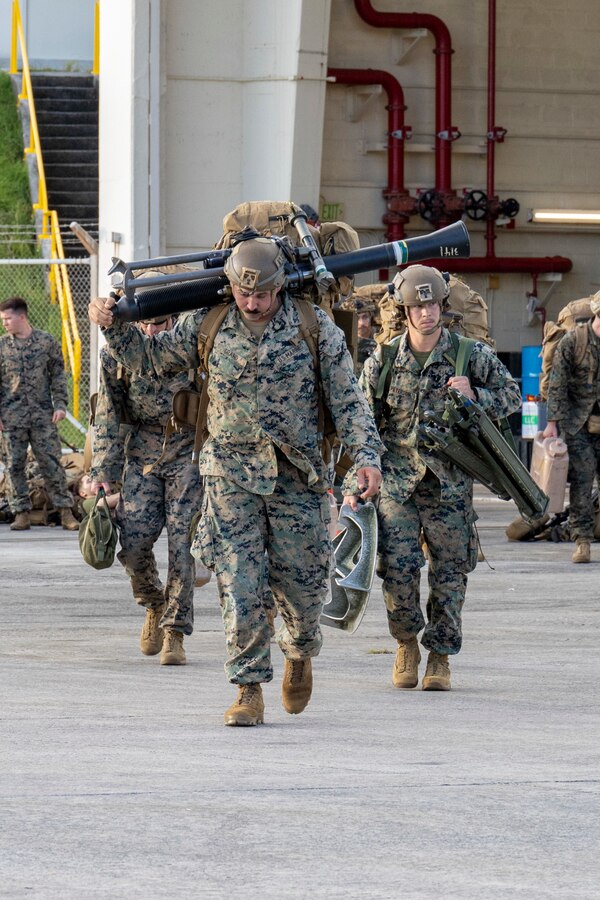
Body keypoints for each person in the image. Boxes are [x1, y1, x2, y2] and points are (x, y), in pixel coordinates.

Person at [89, 236, 383, 725]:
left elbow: (348, 400)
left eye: (262, 295)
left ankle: (299, 651)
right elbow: (150, 360)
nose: (252, 302)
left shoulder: (315, 328)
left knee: (305, 588)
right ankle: (248, 687)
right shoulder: (208, 325)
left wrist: (367, 457)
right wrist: (112, 326)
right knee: (239, 583)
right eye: (244, 294)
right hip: (229, 476)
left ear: (280, 287)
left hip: (297, 476)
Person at [344, 265, 521, 691]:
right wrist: (355, 483)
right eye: (418, 306)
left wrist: (477, 395)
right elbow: (361, 427)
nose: (426, 313)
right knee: (399, 573)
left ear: (444, 306)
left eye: (433, 304)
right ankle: (406, 644)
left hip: (450, 485)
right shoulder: (382, 361)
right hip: (397, 487)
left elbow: (513, 395)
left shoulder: (469, 355)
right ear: (405, 311)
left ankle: (440, 656)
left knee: (450, 574)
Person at [90, 313, 204, 666]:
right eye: (146, 325)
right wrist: (103, 472)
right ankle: (153, 601)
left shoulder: (192, 349)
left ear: (173, 321)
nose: (152, 332)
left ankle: (175, 630)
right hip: (141, 448)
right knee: (135, 538)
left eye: (160, 324)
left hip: (188, 447)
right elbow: (108, 411)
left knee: (183, 543)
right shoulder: (116, 353)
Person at [0, 297, 79, 531]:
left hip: (43, 415)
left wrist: (61, 405)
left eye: (7, 319)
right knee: (14, 464)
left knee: (51, 463)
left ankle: (65, 512)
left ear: (21, 317)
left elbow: (57, 376)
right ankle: (21, 513)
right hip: (11, 417)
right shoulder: (2, 346)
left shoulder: (46, 342)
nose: (4, 323)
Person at [543, 291, 600, 564]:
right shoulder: (574, 341)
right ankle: (582, 541)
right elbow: (557, 384)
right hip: (578, 423)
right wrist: (552, 423)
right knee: (582, 481)